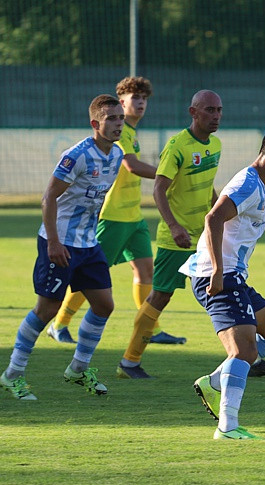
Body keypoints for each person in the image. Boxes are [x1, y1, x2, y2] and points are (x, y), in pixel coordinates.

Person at [183, 123, 265, 439]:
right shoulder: (249, 183)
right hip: (220, 276)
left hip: (232, 276)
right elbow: (212, 218)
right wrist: (216, 272)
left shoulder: (257, 186)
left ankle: (214, 381)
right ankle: (228, 426)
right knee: (243, 352)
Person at [47, 77, 186, 355]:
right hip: (113, 217)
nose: (141, 103)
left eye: (144, 98)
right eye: (135, 98)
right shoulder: (120, 133)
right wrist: (169, 174)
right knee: (90, 277)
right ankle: (59, 324)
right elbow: (132, 166)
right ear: (121, 102)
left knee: (146, 270)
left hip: (133, 217)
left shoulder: (130, 131)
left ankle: (152, 329)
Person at [1, 95, 125, 400]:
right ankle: (12, 374)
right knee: (47, 309)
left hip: (88, 244)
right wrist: (54, 241)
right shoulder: (77, 155)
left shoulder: (117, 155)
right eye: (111, 118)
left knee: (104, 305)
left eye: (120, 117)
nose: (118, 123)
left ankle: (78, 368)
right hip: (59, 243)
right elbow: (49, 197)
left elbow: (95, 199)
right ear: (95, 123)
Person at [119, 89, 222, 378]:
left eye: (218, 110)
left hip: (203, 237)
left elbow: (208, 186)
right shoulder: (177, 146)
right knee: (159, 298)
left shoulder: (215, 145)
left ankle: (248, 356)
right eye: (209, 110)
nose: (215, 116)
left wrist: (220, 214)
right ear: (193, 112)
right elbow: (158, 189)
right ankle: (129, 362)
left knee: (226, 288)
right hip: (176, 240)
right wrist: (174, 226)